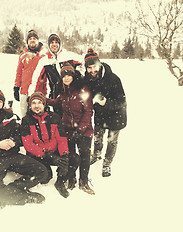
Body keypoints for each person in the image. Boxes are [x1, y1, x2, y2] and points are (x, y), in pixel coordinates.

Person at [0, 87, 48, 209]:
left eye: (0, 101)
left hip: (13, 156)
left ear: (3, 103)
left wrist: (13, 141)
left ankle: (10, 191)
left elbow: (22, 135)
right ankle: (24, 197)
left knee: (41, 171)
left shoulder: (11, 116)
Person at [20, 91, 80, 198]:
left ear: (44, 104)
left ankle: (60, 182)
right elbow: (28, 145)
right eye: (33, 103)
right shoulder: (26, 120)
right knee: (45, 178)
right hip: (38, 155)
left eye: (39, 102)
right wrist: (46, 155)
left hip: (54, 151)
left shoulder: (54, 117)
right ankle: (45, 171)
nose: (37, 106)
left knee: (74, 159)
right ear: (30, 105)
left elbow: (61, 139)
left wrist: (64, 157)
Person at [47, 62, 95, 195]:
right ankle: (71, 177)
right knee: (70, 154)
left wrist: (80, 130)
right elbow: (56, 102)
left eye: (69, 75)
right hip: (68, 128)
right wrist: (41, 99)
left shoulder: (83, 89)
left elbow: (88, 111)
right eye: (64, 76)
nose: (66, 78)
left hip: (84, 129)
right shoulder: (63, 91)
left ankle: (83, 181)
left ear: (73, 76)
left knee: (85, 153)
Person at [83, 49, 127, 177]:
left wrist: (106, 103)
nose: (92, 70)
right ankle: (96, 155)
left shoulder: (113, 79)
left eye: (94, 66)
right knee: (97, 138)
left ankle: (107, 164)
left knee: (112, 141)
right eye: (89, 68)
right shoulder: (88, 79)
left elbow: (121, 101)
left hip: (116, 115)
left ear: (100, 64)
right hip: (100, 115)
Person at [34, 33, 82, 116]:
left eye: (56, 42)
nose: (54, 44)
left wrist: (78, 76)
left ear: (60, 44)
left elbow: (84, 63)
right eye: (52, 43)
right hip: (56, 95)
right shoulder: (44, 61)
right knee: (59, 120)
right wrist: (32, 94)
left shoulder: (68, 55)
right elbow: (35, 78)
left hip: (73, 94)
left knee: (75, 118)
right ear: (49, 45)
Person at [13, 29, 48, 118]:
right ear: (27, 41)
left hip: (40, 91)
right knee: (25, 115)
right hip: (25, 90)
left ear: (38, 40)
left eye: (34, 38)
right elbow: (19, 73)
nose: (32, 40)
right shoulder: (23, 55)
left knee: (41, 116)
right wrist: (16, 87)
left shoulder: (44, 55)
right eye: (30, 39)